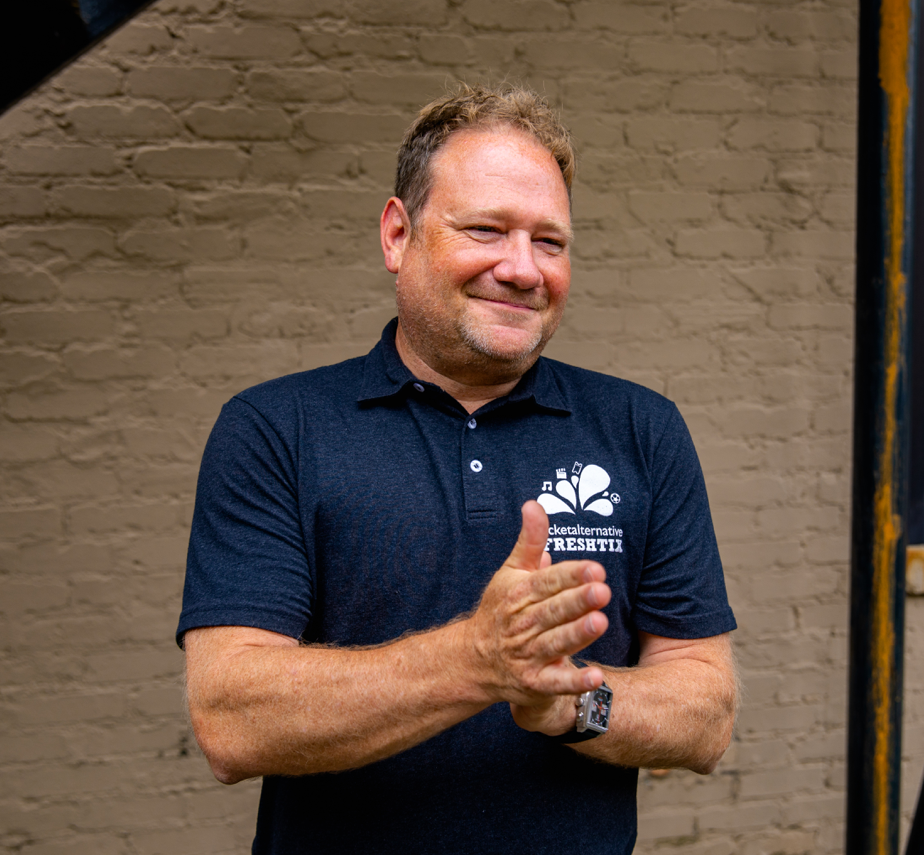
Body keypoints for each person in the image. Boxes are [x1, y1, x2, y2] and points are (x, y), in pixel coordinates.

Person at [177, 84, 738, 854]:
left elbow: (705, 712)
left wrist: (577, 703)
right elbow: (231, 718)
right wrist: (477, 660)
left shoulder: (640, 429)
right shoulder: (279, 430)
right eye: (486, 229)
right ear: (396, 235)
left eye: (550, 241)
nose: (522, 268)